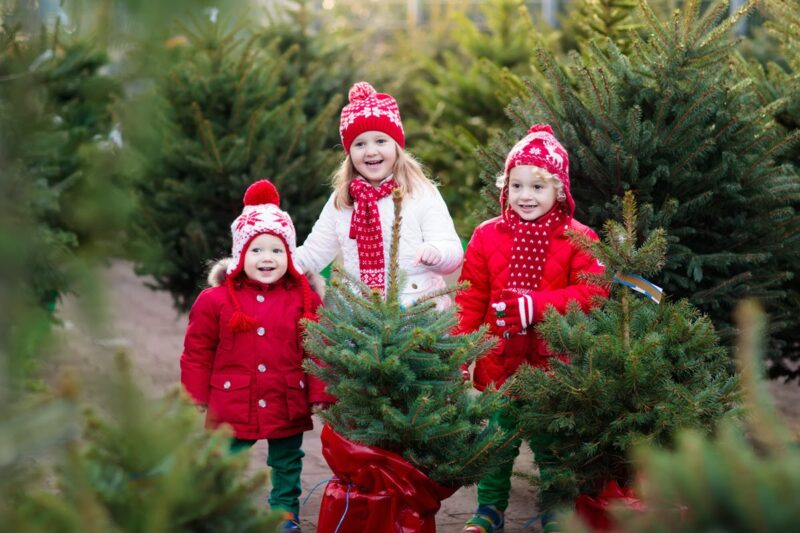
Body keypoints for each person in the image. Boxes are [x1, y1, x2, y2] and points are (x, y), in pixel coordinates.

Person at [456, 125, 607, 533]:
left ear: (559, 190)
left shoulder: (579, 239)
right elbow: (470, 298)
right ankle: (489, 510)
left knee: (551, 445)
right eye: (516, 185)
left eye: (538, 187)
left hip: (552, 366)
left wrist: (533, 307)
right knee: (495, 442)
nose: (525, 196)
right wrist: (460, 351)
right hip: (497, 363)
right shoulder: (488, 236)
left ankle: (557, 510)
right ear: (505, 188)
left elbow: (594, 293)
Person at [180, 179, 334, 533]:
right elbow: (197, 351)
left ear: (289, 256)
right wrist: (195, 394)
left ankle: (284, 510)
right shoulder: (215, 301)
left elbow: (319, 347)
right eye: (257, 250)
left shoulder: (305, 299)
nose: (267, 258)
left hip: (285, 394)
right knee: (224, 456)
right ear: (240, 255)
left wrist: (320, 391)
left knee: (287, 459)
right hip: (233, 396)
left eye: (277, 251)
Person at [293, 81, 463, 309]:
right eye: (360, 144)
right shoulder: (342, 200)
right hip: (361, 320)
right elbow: (314, 253)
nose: (371, 151)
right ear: (349, 152)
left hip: (417, 315)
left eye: (381, 141)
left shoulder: (420, 192)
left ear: (396, 146)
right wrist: (276, 261)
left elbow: (451, 250)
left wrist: (437, 252)